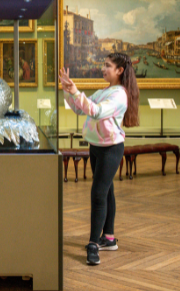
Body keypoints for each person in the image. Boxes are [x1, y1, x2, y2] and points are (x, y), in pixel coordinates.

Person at [59, 53, 140, 266]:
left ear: (119, 71)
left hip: (110, 149)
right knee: (107, 191)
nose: (102, 69)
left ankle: (94, 244)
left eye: (107, 66)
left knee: (98, 193)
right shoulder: (104, 91)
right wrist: (68, 91)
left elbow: (95, 112)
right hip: (96, 146)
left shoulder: (120, 95)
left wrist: (75, 91)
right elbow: (79, 108)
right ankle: (109, 237)